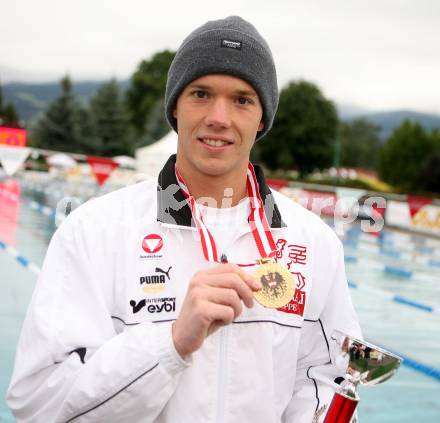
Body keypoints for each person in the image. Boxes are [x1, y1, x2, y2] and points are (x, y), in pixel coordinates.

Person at [7, 16, 361, 423]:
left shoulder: (313, 243)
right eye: (201, 94)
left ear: (262, 118)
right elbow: (39, 403)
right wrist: (170, 343)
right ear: (175, 105)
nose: (219, 117)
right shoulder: (93, 231)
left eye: (242, 99)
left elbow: (325, 382)